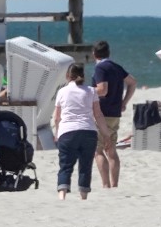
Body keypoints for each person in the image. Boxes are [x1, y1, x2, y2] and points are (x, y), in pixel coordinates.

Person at [52, 63, 111, 200]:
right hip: (88, 131)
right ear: (83, 76)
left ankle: (62, 196)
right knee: (85, 166)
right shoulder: (91, 91)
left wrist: (56, 134)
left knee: (65, 165)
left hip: (67, 132)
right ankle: (83, 197)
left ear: (67, 76)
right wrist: (106, 134)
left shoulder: (62, 91)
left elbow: (56, 117)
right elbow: (98, 115)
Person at [91, 40, 137, 188]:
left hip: (101, 113)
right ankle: (115, 184)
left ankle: (106, 185)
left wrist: (85, 91)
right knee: (111, 149)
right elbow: (132, 82)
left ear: (94, 54)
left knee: (98, 150)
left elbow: (102, 90)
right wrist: (124, 102)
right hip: (115, 113)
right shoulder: (116, 67)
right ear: (108, 53)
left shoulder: (100, 68)